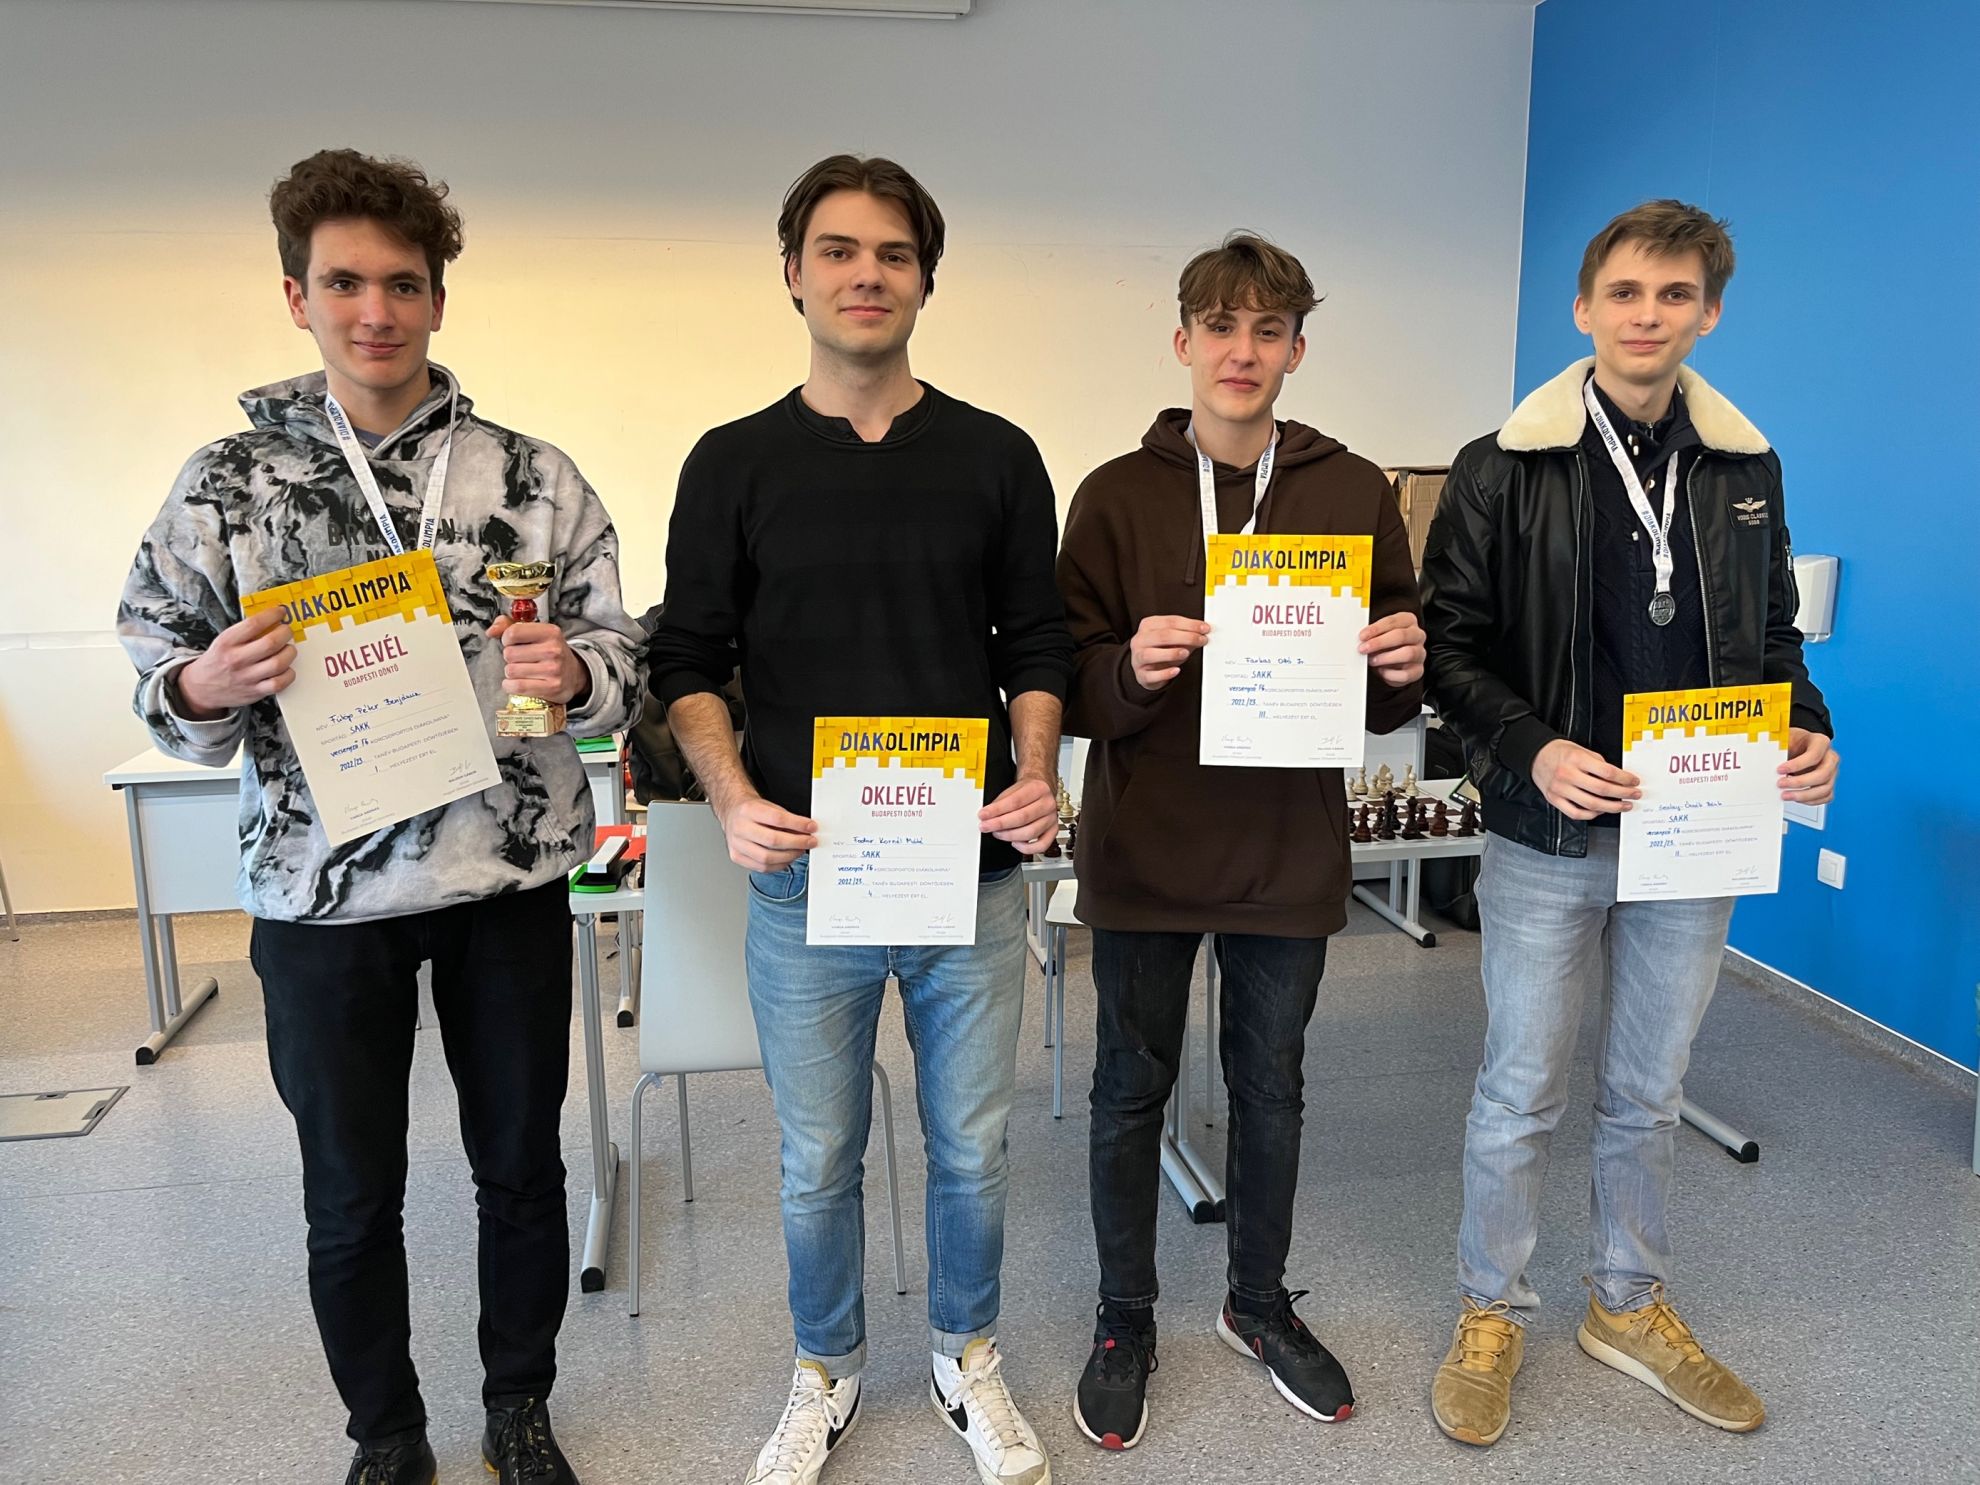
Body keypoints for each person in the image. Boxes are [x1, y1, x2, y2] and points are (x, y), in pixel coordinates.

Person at [116, 148, 643, 1485]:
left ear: (438, 300)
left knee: (518, 1169)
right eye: (344, 283)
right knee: (350, 1192)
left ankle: (517, 1403)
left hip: (507, 877)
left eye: (403, 284)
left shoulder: (531, 477)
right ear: (297, 296)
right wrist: (203, 684)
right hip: (321, 893)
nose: (376, 311)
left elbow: (623, 657)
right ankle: (388, 1432)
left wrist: (580, 675)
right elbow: (158, 664)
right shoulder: (227, 485)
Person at [647, 153, 1073, 1485]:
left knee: (975, 1146)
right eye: (837, 250)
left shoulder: (998, 455)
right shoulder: (733, 462)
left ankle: (967, 1357)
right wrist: (731, 795)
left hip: (970, 875)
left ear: (926, 279)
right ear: (794, 274)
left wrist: (1039, 768)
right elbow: (687, 660)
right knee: (817, 1153)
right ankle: (824, 1369)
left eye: (893, 253)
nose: (866, 274)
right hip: (807, 880)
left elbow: (1038, 642)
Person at [1418, 199, 1839, 1447]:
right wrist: (1534, 749)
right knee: (1519, 1091)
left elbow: (1774, 640)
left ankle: (1626, 1303)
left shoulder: (1746, 470)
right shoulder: (1501, 464)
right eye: (1626, 292)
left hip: (1694, 834)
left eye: (1674, 295)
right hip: (1549, 834)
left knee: (1650, 1093)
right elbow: (1449, 650)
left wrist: (1807, 729)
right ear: (1583, 308)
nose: (1647, 316)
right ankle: (1491, 1306)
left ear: (1708, 314)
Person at [1054, 231, 1426, 1450]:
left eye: (1269, 330)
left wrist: (1403, 662)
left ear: (1297, 351)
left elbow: (1388, 697)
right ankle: (1125, 1317)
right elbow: (1069, 679)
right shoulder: (1114, 494)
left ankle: (1257, 1305)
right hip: (1145, 850)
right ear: (1183, 341)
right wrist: (1127, 667)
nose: (1243, 350)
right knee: (1128, 1092)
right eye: (1221, 326)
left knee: (1272, 1089)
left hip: (1285, 848)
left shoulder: (1352, 491)